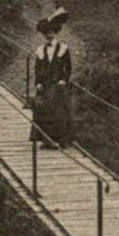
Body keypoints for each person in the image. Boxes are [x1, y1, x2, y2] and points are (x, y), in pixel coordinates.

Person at [31, 9, 74, 148]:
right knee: (43, 111)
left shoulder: (63, 48)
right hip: (44, 85)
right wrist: (37, 82)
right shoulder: (40, 50)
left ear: (56, 33)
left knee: (59, 112)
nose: (49, 35)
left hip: (58, 85)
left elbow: (68, 68)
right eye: (47, 33)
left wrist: (64, 80)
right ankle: (46, 140)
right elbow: (37, 68)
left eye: (52, 33)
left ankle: (61, 140)